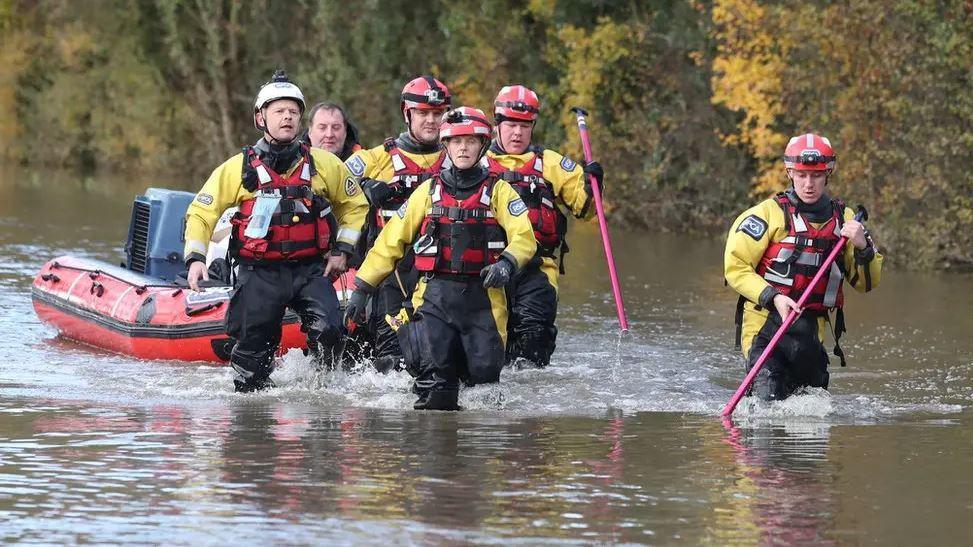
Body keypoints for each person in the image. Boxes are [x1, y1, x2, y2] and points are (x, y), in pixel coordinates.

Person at [183, 70, 368, 393]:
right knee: (252, 356)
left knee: (330, 331)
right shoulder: (236, 169)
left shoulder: (325, 165)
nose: (287, 118)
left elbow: (355, 205)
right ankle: (250, 420)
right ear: (261, 117)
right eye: (279, 111)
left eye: (293, 112)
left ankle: (321, 396)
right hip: (258, 272)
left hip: (310, 269)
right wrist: (196, 258)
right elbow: (202, 212)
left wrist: (342, 250)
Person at [344, 107, 537, 410]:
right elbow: (390, 243)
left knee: (484, 387)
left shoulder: (500, 192)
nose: (463, 148)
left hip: (484, 300)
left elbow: (525, 237)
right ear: (446, 145)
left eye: (471, 142)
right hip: (434, 298)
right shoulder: (428, 191)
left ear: (482, 145)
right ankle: (430, 449)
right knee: (435, 387)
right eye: (457, 142)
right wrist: (361, 289)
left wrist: (506, 263)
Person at [724, 133, 883, 401]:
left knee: (811, 413)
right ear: (789, 172)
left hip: (810, 331)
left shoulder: (846, 222)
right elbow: (735, 268)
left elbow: (866, 284)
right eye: (801, 175)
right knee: (767, 403)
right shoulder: (765, 215)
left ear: (828, 173)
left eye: (816, 175)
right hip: (765, 325)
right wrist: (774, 297)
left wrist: (862, 247)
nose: (809, 184)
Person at [485, 84, 603, 368]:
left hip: (537, 268)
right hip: (488, 267)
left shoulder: (551, 163)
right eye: (511, 125)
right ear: (497, 125)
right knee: (487, 344)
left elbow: (586, 211)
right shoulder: (477, 161)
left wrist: (592, 186)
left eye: (525, 126)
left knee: (533, 341)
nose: (517, 133)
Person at [343, 76, 451, 372]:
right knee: (392, 361)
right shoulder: (376, 158)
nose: (431, 121)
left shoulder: (460, 158)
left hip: (442, 274)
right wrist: (363, 186)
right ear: (407, 113)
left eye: (437, 113)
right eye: (423, 113)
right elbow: (328, 183)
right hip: (391, 273)